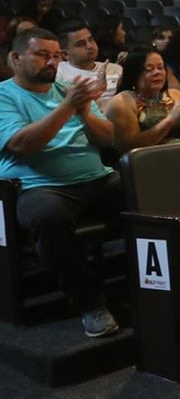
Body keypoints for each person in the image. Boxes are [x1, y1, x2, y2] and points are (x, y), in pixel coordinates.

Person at [0, 29, 120, 338]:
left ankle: (157, 285)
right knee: (47, 217)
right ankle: (91, 304)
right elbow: (23, 144)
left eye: (56, 55)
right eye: (42, 55)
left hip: (97, 179)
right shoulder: (5, 96)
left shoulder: (68, 90)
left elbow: (107, 138)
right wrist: (68, 107)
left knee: (150, 192)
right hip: (41, 187)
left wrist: (82, 109)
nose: (51, 62)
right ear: (15, 58)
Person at [105, 50, 180, 152]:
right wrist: (171, 119)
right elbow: (130, 147)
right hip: (150, 161)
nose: (157, 72)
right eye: (149, 69)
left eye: (161, 68)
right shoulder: (121, 102)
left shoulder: (174, 94)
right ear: (134, 73)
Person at [56, 23, 123, 109]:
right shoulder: (59, 73)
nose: (89, 46)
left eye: (91, 40)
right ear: (65, 54)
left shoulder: (115, 68)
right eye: (80, 44)